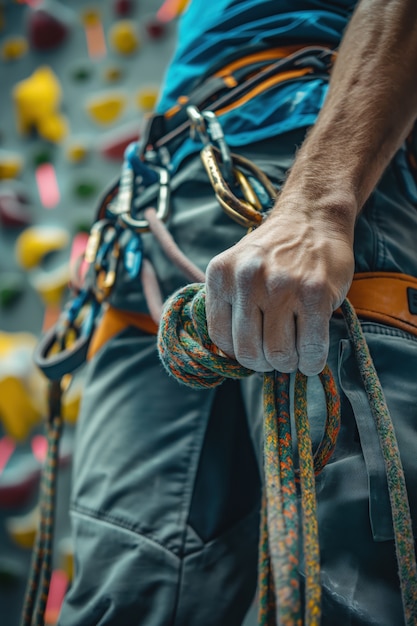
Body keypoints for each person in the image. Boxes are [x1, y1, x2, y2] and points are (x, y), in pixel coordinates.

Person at [58, 1, 417, 624]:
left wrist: (318, 203)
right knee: (121, 596)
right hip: (160, 216)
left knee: (351, 588)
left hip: (303, 161)